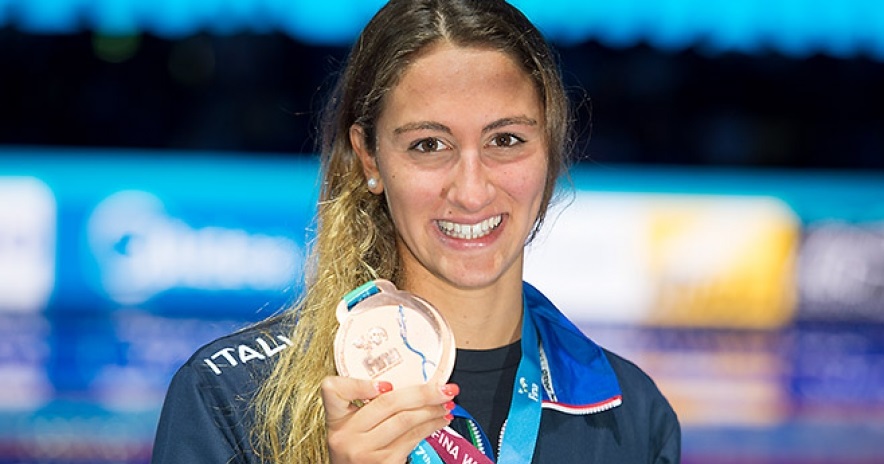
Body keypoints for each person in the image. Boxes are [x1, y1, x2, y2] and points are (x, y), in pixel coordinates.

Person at [150, 0, 681, 462]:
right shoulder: (231, 398)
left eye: (507, 140)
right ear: (369, 158)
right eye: (429, 145)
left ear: (551, 147)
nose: (471, 191)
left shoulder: (631, 415)